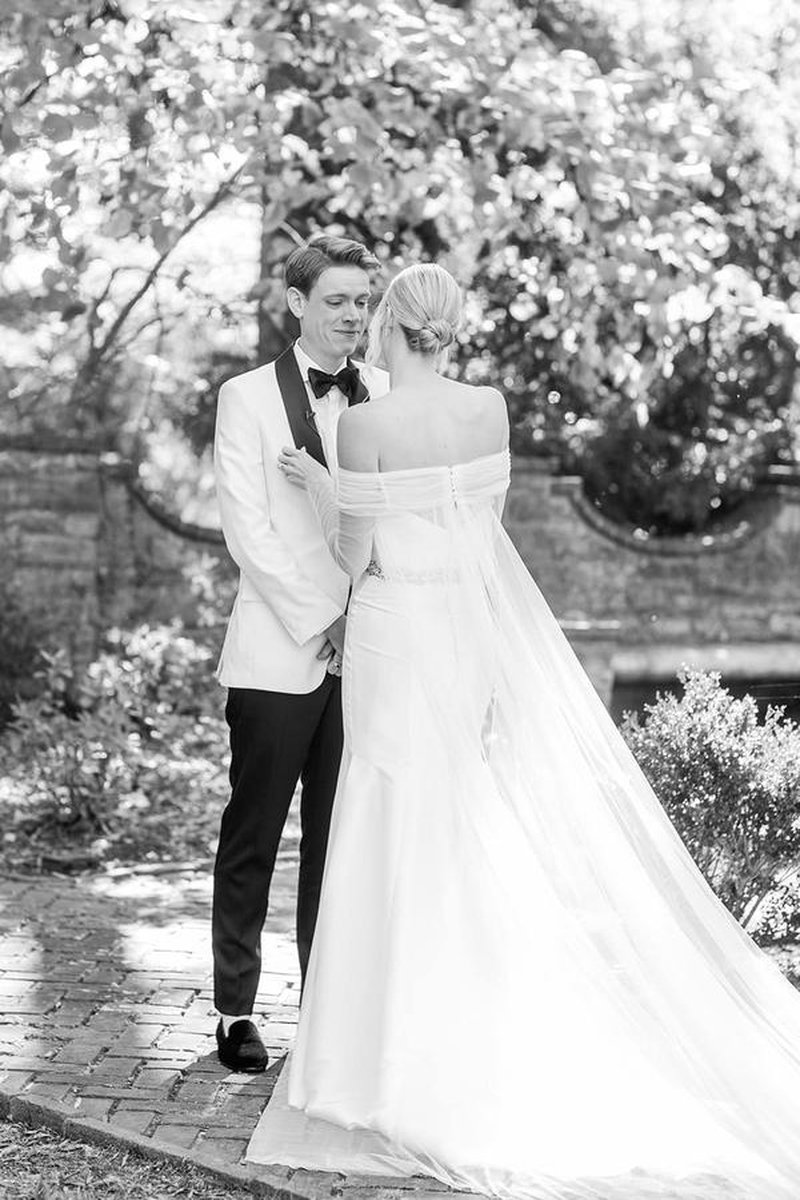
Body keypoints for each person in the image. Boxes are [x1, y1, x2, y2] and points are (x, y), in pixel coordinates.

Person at [246, 262, 800, 1197]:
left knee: (386, 816)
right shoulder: (490, 408)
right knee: (457, 821)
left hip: (392, 633)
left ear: (388, 324)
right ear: (450, 328)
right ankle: (463, 1032)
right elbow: (483, 532)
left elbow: (358, 556)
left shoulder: (363, 424)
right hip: (464, 631)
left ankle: (375, 1059)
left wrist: (322, 494)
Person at [211, 233, 388, 1073]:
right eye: (336, 302)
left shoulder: (386, 393)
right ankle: (236, 1010)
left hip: (373, 655)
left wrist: (367, 622)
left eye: (361, 302)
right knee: (254, 831)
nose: (352, 317)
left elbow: (391, 521)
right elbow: (248, 531)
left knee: (339, 836)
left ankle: (324, 1003)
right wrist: (326, 618)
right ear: (296, 303)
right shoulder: (245, 399)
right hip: (279, 649)